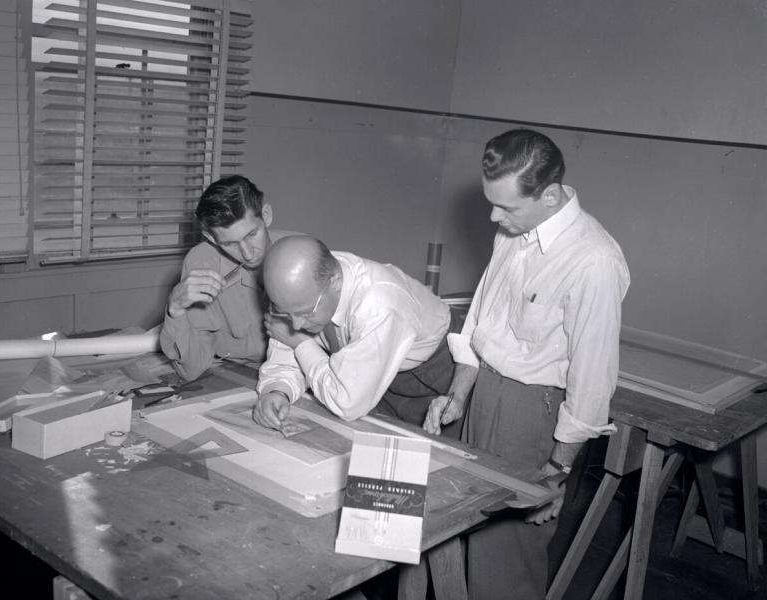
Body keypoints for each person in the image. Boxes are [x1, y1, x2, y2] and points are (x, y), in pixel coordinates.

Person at [422, 129, 630, 600]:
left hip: (532, 414)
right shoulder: (514, 231)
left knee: (504, 565)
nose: (494, 216)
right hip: (482, 394)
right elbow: (481, 323)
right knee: (458, 536)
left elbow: (592, 381)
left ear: (550, 195)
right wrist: (457, 393)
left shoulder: (593, 260)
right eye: (491, 203)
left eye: (507, 207)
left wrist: (555, 472)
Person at [251, 235, 461, 436]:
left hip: (435, 375)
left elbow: (347, 402)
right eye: (283, 312)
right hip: (368, 372)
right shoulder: (301, 290)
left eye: (305, 313)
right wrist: (277, 391)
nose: (295, 324)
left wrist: (301, 344)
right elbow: (285, 351)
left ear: (334, 282)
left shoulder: (379, 306)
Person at [160, 175, 290, 381]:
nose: (247, 254)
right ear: (211, 238)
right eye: (230, 244)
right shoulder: (202, 263)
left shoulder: (305, 254)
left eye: (251, 234)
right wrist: (175, 308)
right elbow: (192, 369)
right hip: (242, 378)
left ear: (266, 215)